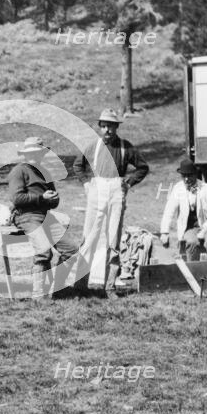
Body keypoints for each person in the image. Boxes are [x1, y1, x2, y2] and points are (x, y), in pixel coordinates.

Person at [73, 108, 149, 290]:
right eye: (104, 126)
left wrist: (128, 183)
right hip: (97, 190)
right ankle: (80, 284)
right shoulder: (94, 146)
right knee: (89, 237)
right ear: (100, 127)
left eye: (111, 127)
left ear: (116, 128)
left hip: (116, 190)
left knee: (113, 239)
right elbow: (78, 165)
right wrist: (86, 183)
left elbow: (142, 167)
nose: (107, 130)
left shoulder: (125, 147)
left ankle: (109, 286)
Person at [8, 137, 79, 299]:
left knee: (71, 250)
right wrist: (42, 197)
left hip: (46, 215)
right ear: (25, 155)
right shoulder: (19, 171)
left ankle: (57, 289)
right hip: (25, 216)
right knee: (43, 251)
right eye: (31, 154)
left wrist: (53, 198)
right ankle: (38, 295)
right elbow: (17, 199)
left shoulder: (45, 172)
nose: (35, 157)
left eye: (38, 153)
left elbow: (52, 201)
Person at [160, 158, 207, 262]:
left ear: (195, 174)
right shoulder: (178, 189)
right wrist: (164, 232)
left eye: (190, 175)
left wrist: (204, 229)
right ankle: (193, 271)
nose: (187, 179)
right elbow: (168, 212)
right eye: (184, 176)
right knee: (192, 241)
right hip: (190, 228)